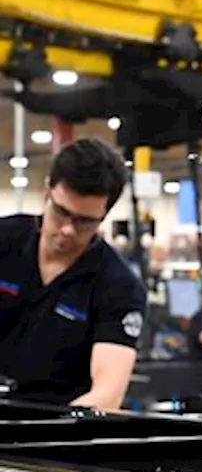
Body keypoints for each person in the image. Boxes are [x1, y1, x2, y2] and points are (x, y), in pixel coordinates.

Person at [0, 138, 145, 410]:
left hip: (49, 433)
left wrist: (46, 432)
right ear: (47, 192)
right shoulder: (4, 240)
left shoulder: (118, 286)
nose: (68, 229)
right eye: (61, 212)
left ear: (104, 216)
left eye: (84, 221)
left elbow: (107, 395)